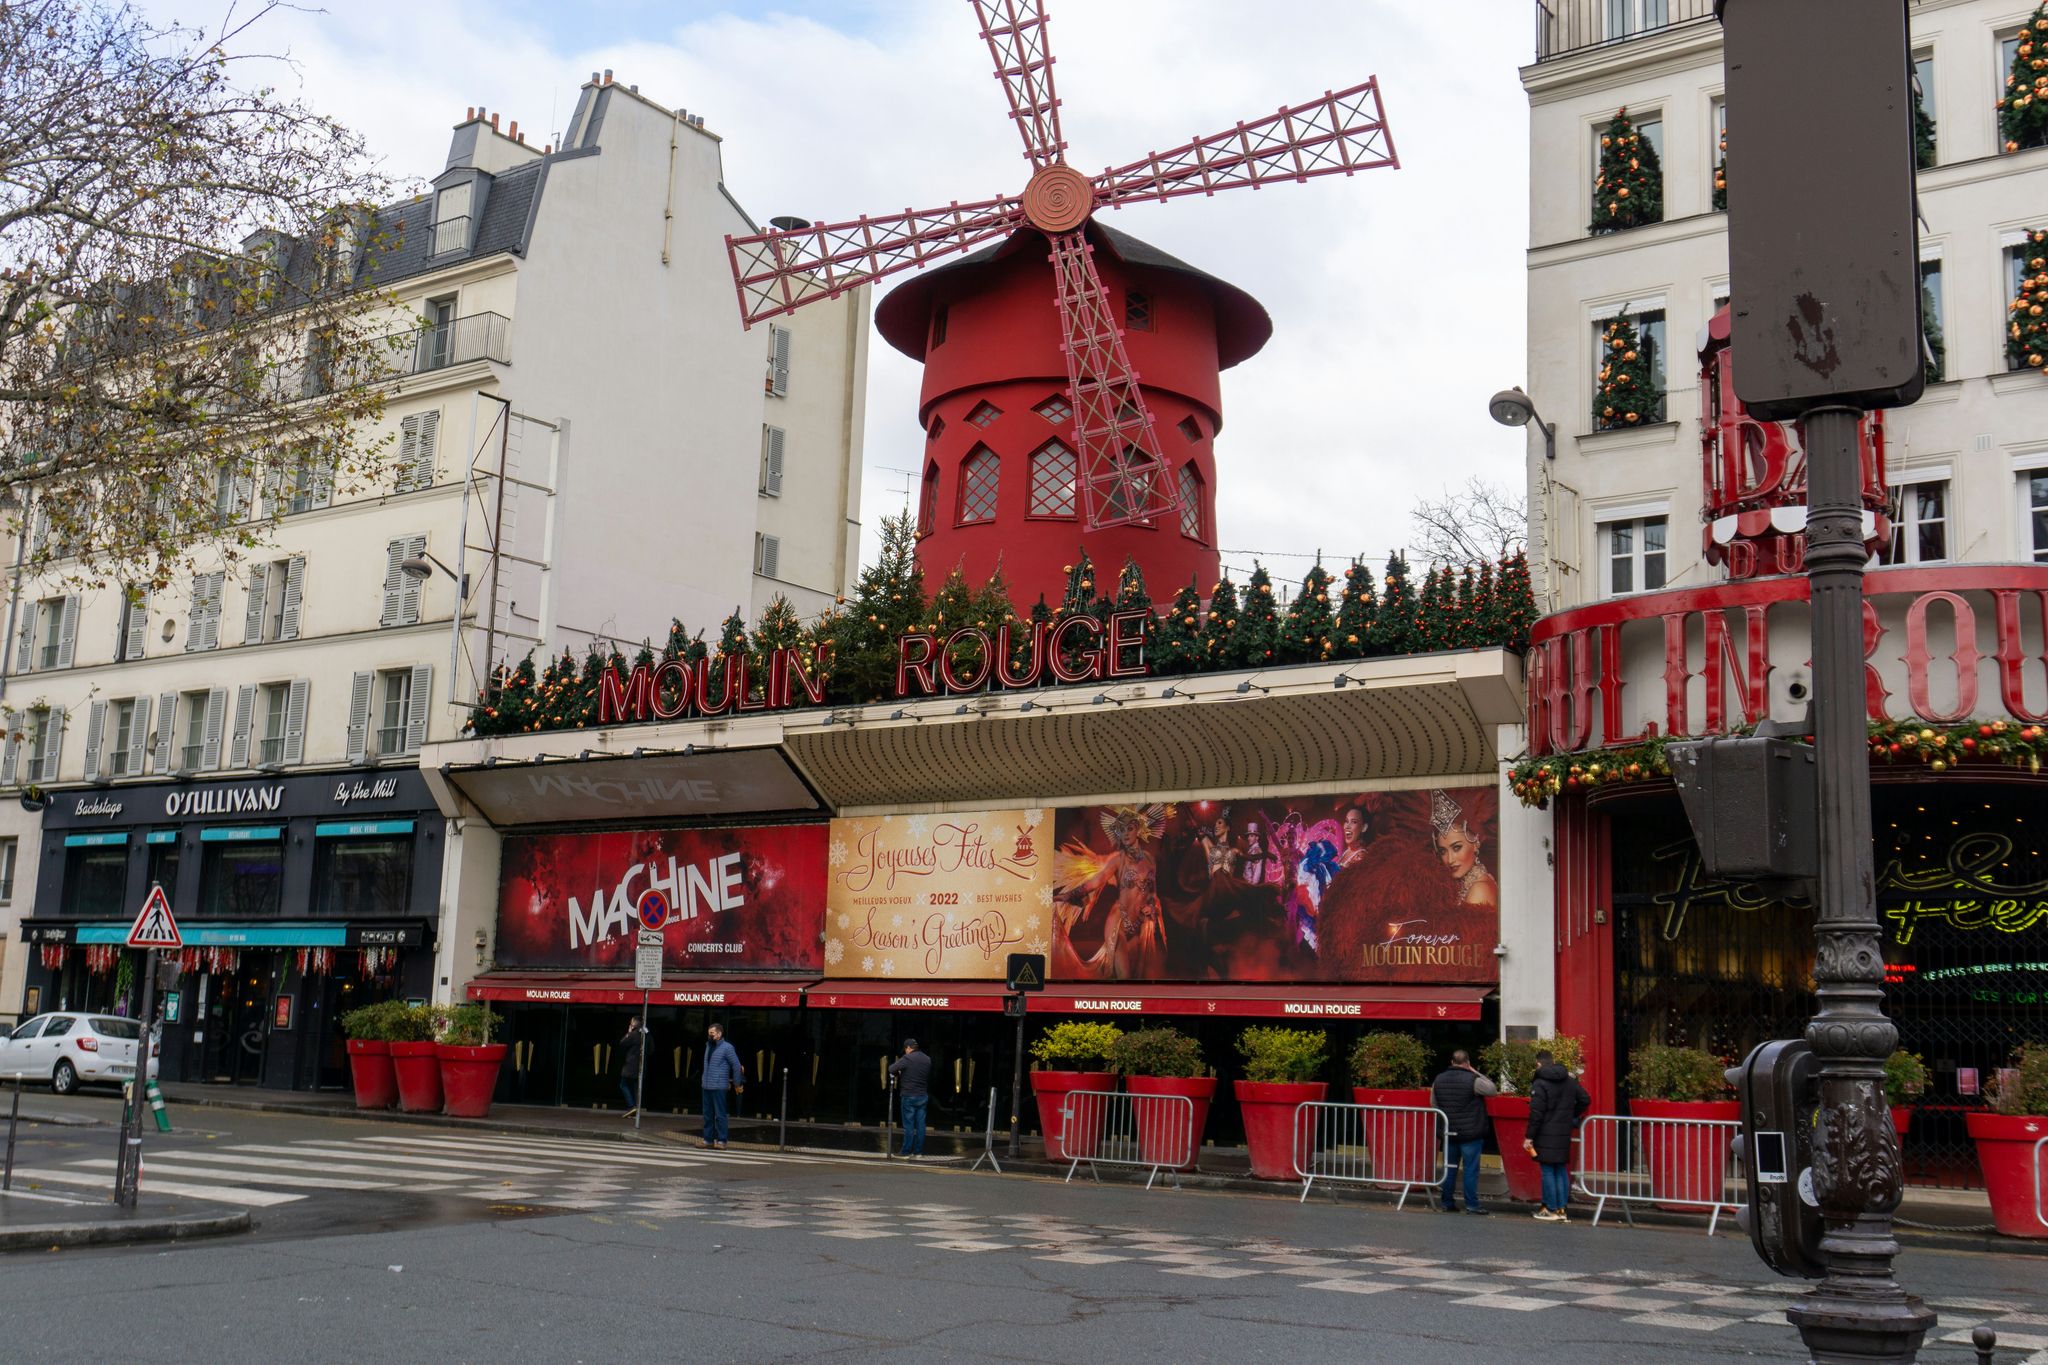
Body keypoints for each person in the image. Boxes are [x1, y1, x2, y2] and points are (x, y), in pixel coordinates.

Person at [1524, 1050, 1592, 1222]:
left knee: (1547, 1170)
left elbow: (1536, 1113)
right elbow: (1585, 1099)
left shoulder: (1539, 1083)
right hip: (1563, 1130)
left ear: (1538, 1064)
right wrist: (1571, 1115)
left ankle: (1550, 1208)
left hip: (1545, 1132)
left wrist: (1529, 1136)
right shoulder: (1569, 1081)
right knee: (1560, 1169)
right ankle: (1561, 1209)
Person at [1431, 1048, 1497, 1214]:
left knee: (1449, 1168)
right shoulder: (1473, 1080)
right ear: (1467, 1063)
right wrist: (1476, 1072)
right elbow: (1492, 1090)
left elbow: (1433, 1104)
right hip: (1471, 1133)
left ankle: (1447, 1202)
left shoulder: (1439, 1079)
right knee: (1470, 1170)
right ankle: (1472, 1205)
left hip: (1449, 1132)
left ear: (1452, 1062)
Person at [700, 1022, 745, 1149]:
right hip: (707, 1085)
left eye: (712, 1033)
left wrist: (736, 1083)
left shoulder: (727, 1047)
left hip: (719, 1086)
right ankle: (708, 1140)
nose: (709, 1036)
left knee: (720, 1115)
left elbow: (736, 1065)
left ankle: (722, 1141)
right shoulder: (708, 1046)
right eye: (709, 1033)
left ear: (719, 1034)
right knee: (707, 1115)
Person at [889, 1038, 933, 1160]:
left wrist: (899, 1072)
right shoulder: (927, 1059)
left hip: (909, 1096)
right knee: (920, 1125)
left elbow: (891, 1068)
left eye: (905, 1049)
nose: (905, 1051)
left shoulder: (907, 1058)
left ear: (908, 1048)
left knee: (909, 1125)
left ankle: (906, 1152)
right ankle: (918, 1152)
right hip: (922, 1096)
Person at [618, 1016, 645, 1117]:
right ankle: (635, 1109)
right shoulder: (645, 1035)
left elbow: (622, 1043)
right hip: (641, 1065)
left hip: (631, 1065)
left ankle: (631, 1106)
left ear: (634, 1024)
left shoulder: (633, 1034)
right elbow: (651, 1048)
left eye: (631, 1023)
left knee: (623, 1084)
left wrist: (628, 1032)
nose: (630, 1024)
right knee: (636, 1086)